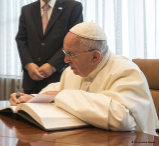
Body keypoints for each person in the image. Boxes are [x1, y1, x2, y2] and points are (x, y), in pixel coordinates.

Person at [10, 22, 159, 136]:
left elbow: (122, 118)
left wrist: (61, 96)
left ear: (95, 56)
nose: (66, 60)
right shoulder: (72, 71)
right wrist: (32, 98)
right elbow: (56, 90)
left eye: (71, 54)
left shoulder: (126, 70)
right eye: (64, 52)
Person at [16, 0, 83, 94]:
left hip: (59, 77)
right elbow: (21, 39)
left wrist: (53, 65)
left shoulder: (72, 7)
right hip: (32, 78)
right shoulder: (27, 10)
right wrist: (28, 64)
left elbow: (75, 42)